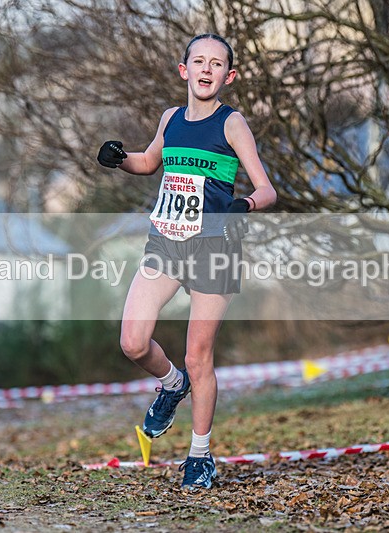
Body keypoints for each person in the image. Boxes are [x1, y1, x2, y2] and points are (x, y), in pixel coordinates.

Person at [96, 33, 277, 489]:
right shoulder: (171, 118)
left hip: (213, 248)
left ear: (229, 76)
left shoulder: (232, 124)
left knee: (199, 356)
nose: (206, 69)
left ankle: (200, 455)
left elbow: (267, 189)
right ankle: (172, 384)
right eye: (199, 61)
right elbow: (148, 162)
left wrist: (245, 205)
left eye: (216, 64)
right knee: (133, 342)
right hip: (166, 243)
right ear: (184, 70)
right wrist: (119, 159)